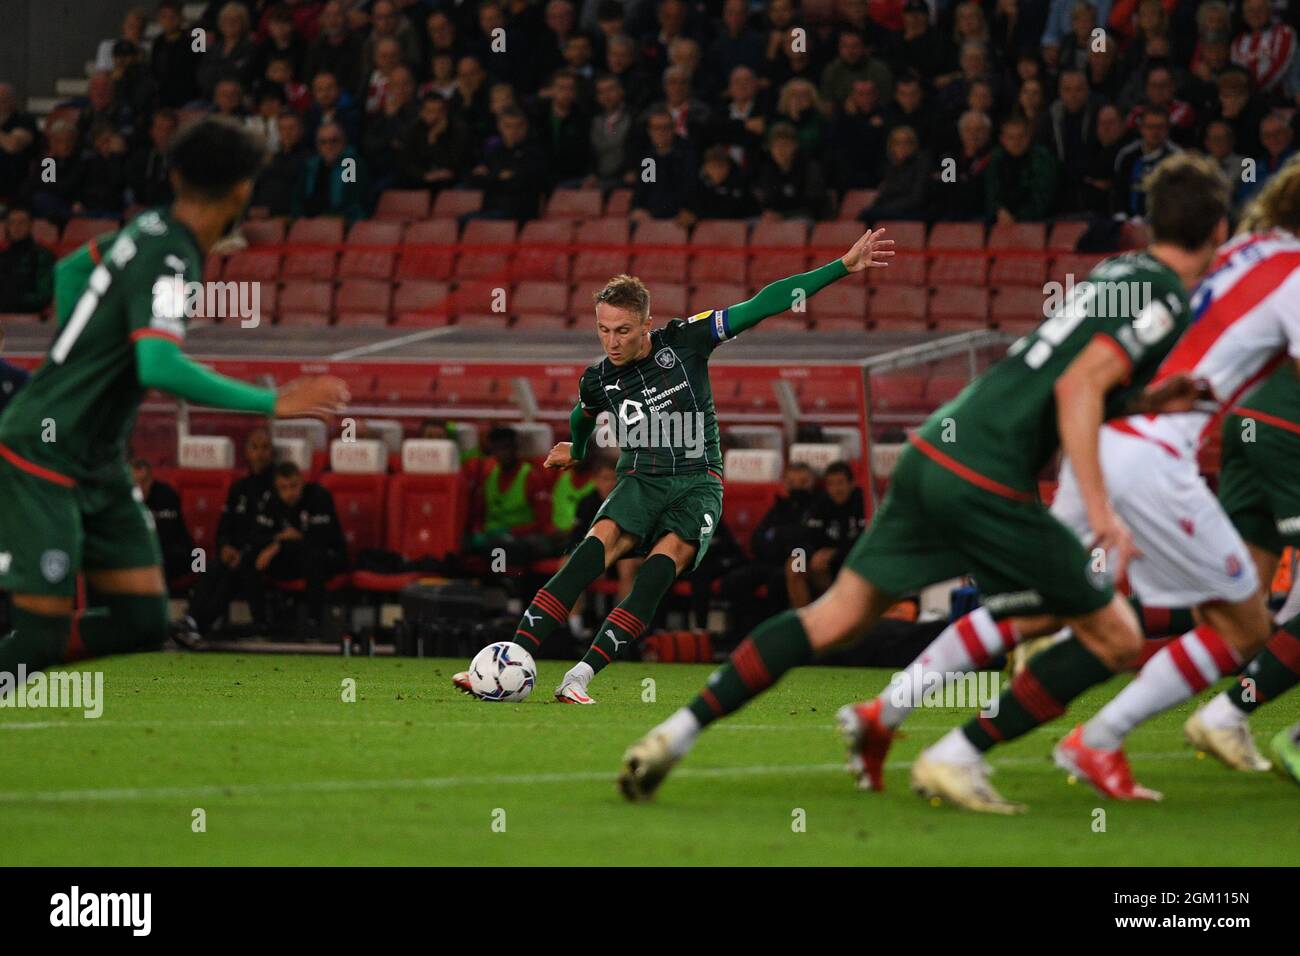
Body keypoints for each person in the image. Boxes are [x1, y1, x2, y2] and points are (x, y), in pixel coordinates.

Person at [617, 154, 1228, 810]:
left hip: (937, 448)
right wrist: (1101, 509)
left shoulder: (1118, 271)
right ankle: (955, 756)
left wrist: (1150, 398)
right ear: (1219, 227)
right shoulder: (1166, 291)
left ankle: (674, 734)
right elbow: (1080, 386)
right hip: (990, 474)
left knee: (836, 618)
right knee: (1116, 635)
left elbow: (1071, 380)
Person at [450, 227, 895, 703]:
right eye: (603, 330)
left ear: (646, 324)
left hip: (697, 481)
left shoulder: (686, 341)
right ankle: (507, 662)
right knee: (586, 555)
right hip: (641, 479)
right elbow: (582, 414)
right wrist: (577, 451)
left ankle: (580, 676)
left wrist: (841, 268)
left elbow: (763, 304)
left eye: (623, 330)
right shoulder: (599, 377)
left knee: (657, 572)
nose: (612, 342)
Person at [0, 116, 348, 675]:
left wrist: (75, 353)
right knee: (40, 633)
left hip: (98, 457)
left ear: (179, 175)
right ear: (243, 189)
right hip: (45, 451)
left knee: (139, 620)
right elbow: (158, 363)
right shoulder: (171, 255)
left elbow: (69, 272)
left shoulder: (148, 228)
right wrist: (270, 403)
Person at [178, 427, 276, 640]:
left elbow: (270, 529)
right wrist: (224, 546)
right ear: (247, 452)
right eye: (255, 447)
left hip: (257, 555)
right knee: (211, 566)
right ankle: (192, 620)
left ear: (272, 452)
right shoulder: (238, 488)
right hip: (234, 552)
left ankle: (198, 627)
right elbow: (224, 526)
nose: (260, 453)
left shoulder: (278, 487)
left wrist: (245, 551)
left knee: (232, 574)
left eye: (265, 447)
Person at [249, 461, 349, 636]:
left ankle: (314, 622)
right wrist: (279, 540)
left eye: (294, 486)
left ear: (302, 482)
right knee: (250, 558)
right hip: (291, 558)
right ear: (277, 488)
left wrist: (280, 545)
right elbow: (256, 536)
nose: (290, 493)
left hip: (329, 558)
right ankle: (260, 623)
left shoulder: (319, 496)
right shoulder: (271, 501)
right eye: (284, 488)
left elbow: (321, 538)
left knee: (313, 556)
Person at [785, 462, 865, 609]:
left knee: (819, 565)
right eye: (831, 484)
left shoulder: (862, 503)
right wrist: (808, 554)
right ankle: (803, 623)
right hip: (818, 558)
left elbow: (864, 540)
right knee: (795, 566)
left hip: (848, 560)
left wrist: (835, 553)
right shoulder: (822, 502)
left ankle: (832, 618)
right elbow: (806, 537)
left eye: (840, 483)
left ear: (852, 484)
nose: (836, 489)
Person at [130, 458, 193, 588]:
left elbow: (169, 535)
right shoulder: (125, 498)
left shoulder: (166, 494)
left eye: (144, 482)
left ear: (151, 480)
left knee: (198, 557)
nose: (140, 488)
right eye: (136, 484)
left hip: (172, 550)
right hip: (139, 551)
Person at [0, 205, 54, 315]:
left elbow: (44, 295)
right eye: (12, 223)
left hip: (29, 319)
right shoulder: (2, 256)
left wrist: (14, 299)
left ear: (30, 225)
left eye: (21, 222)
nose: (16, 227)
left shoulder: (42, 256)